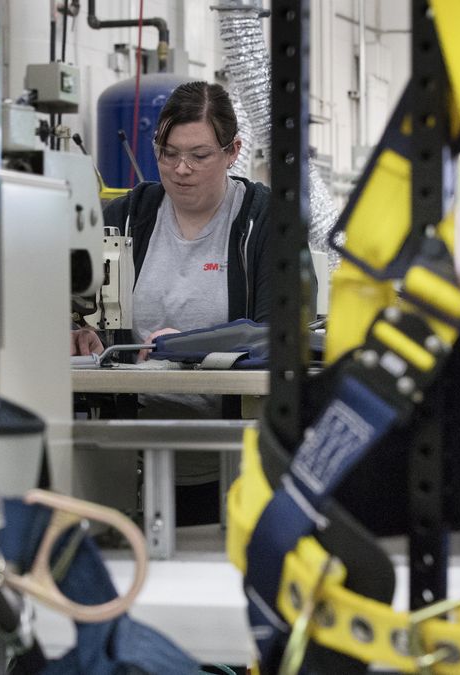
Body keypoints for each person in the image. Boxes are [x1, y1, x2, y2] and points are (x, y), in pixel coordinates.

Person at [72, 80, 314, 524]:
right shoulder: (126, 217)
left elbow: (281, 334)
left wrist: (190, 345)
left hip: (232, 464)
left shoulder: (266, 224)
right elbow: (72, 298)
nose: (181, 168)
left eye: (199, 155)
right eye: (168, 153)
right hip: (129, 459)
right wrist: (79, 330)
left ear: (232, 150)